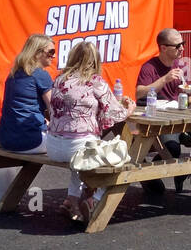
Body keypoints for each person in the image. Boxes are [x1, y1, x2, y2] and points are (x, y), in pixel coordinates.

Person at [47, 42, 133, 223]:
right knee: (124, 159)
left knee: (79, 159)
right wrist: (129, 109)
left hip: (53, 146)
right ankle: (94, 199)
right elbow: (115, 113)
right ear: (95, 60)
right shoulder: (95, 81)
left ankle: (71, 201)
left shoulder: (59, 79)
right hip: (76, 147)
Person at [136, 28, 190, 197]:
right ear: (164, 48)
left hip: (180, 116)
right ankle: (148, 176)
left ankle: (182, 173)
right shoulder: (149, 67)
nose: (182, 48)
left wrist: (188, 91)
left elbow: (183, 91)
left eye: (183, 44)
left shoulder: (180, 64)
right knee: (172, 149)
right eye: (178, 45)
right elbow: (139, 93)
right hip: (160, 119)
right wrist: (164, 79)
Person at [0, 34, 54, 154]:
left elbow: (22, 109)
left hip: (5, 139)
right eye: (51, 51)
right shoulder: (40, 74)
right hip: (30, 141)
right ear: (38, 52)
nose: (53, 56)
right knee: (74, 145)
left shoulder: (13, 74)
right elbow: (55, 110)